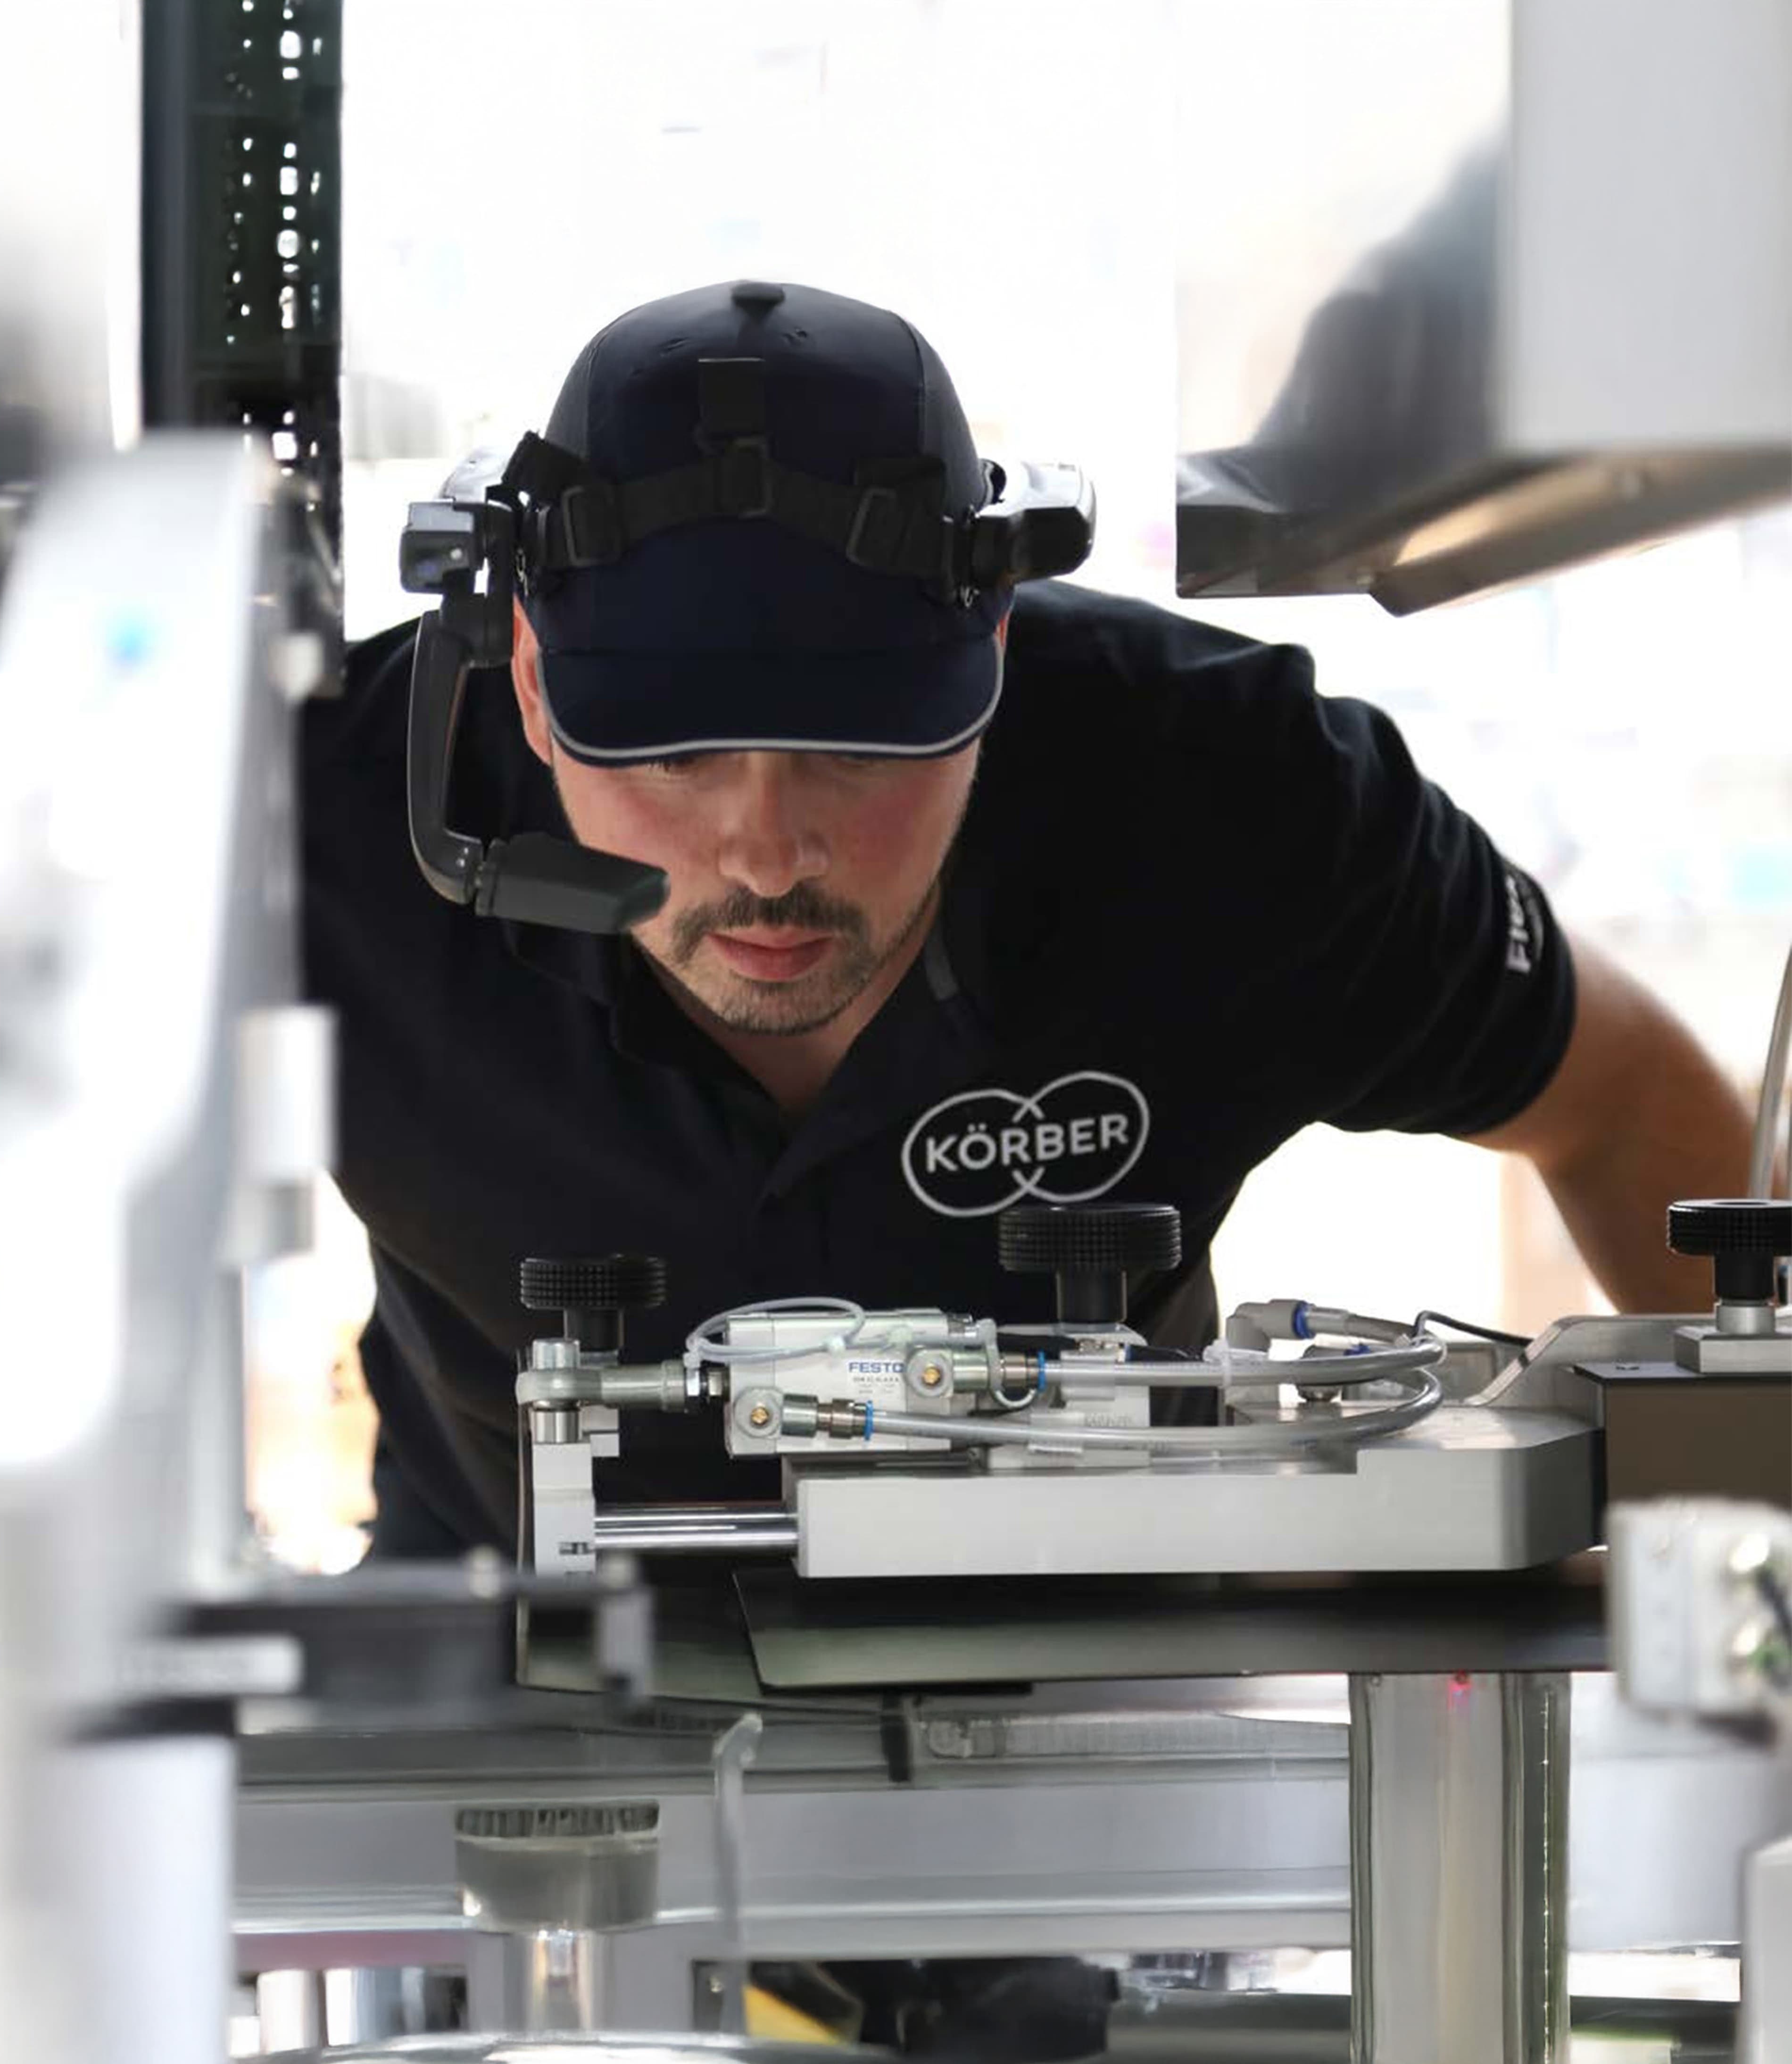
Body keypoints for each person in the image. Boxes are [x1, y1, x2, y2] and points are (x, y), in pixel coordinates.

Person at [300, 279, 1754, 1561]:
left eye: (859, 749)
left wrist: (1745, 1565)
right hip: (501, 1654)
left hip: (1106, 1660)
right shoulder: (321, 825)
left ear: (992, 647)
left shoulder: (1234, 796)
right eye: (675, 758)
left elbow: (1620, 1096)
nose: (767, 853)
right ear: (534, 685)